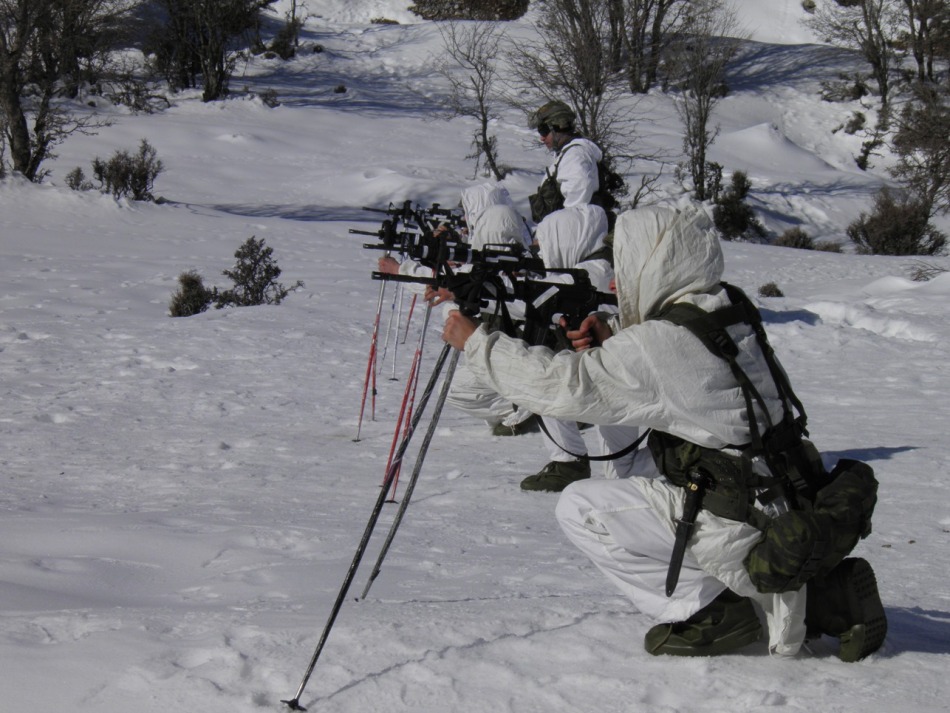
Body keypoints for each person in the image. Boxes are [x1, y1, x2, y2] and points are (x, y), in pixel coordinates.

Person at [441, 204, 886, 660]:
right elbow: (687, 364)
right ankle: (823, 592)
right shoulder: (729, 307)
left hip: (740, 510)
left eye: (627, 263)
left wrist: (478, 343)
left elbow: (564, 385)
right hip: (786, 493)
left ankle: (719, 609)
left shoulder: (658, 345)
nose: (618, 282)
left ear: (653, 260)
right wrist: (614, 335)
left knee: (581, 508)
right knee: (645, 472)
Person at [527, 100, 606, 225]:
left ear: (559, 126)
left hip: (571, 237)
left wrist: (549, 235)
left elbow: (575, 211)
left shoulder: (575, 156)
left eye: (544, 131)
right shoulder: (567, 155)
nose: (542, 138)